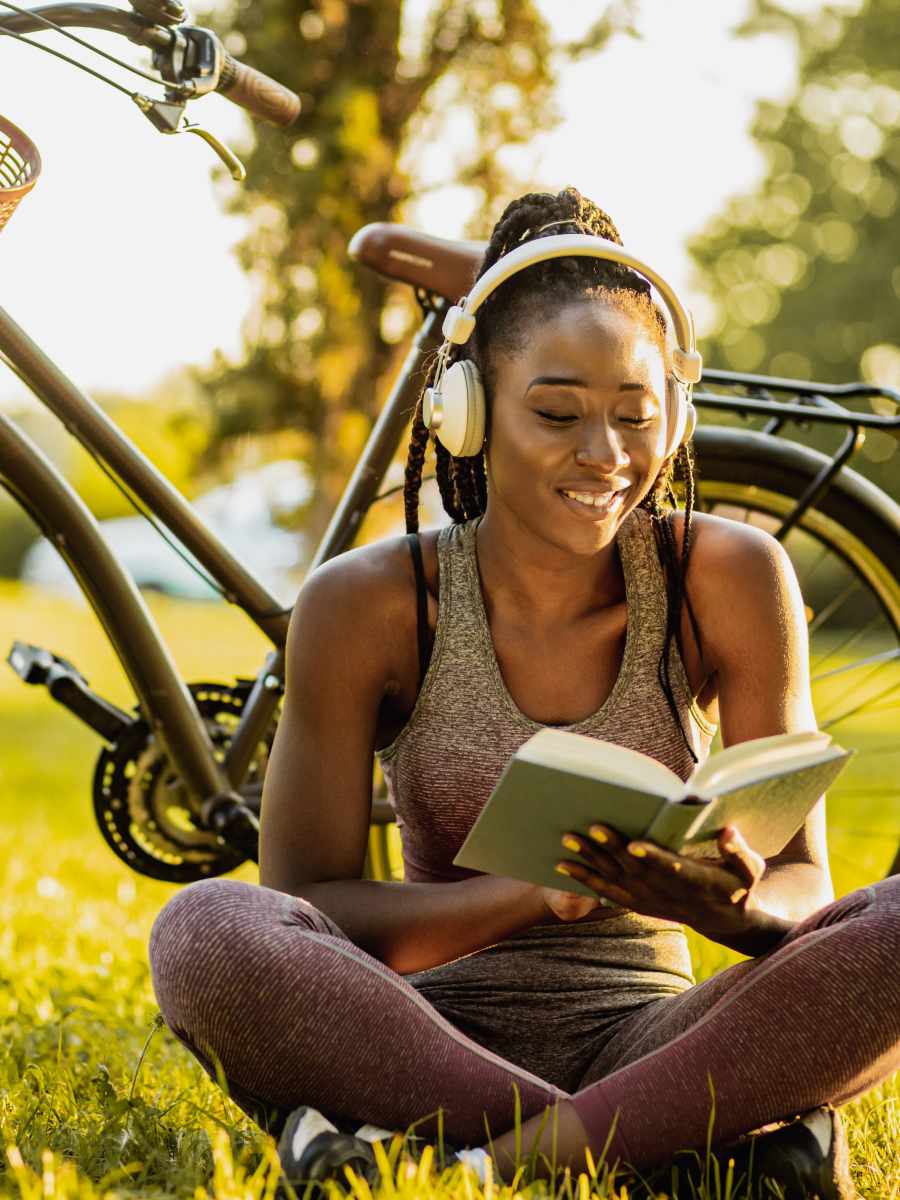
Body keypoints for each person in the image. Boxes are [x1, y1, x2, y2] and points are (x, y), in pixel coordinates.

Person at [148, 188, 900, 1199]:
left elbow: (806, 886)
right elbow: (304, 906)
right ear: (467, 412)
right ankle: (678, 1144)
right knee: (205, 931)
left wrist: (722, 904)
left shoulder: (731, 576)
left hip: (663, 1035)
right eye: (556, 414)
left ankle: (477, 1164)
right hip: (419, 1036)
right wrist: (531, 896)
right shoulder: (367, 603)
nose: (606, 457)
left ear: (674, 417)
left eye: (636, 417)